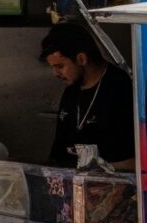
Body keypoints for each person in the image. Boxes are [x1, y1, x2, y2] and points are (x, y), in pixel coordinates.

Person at [41, 20, 136, 169]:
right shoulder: (72, 88)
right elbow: (58, 149)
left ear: (81, 59)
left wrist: (101, 170)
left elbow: (135, 159)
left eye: (60, 66)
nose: (55, 73)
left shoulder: (120, 88)